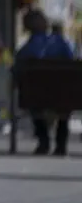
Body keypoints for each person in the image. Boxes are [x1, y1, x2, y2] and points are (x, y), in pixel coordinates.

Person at [15, 9, 73, 156]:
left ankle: (44, 142)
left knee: (35, 102)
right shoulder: (59, 42)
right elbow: (71, 61)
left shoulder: (26, 49)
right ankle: (61, 144)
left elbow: (17, 70)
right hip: (62, 95)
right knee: (64, 106)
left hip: (36, 97)